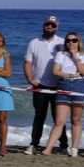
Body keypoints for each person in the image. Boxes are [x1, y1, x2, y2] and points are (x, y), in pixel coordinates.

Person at [44, 32, 84, 157]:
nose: (71, 42)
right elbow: (56, 71)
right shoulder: (61, 54)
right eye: (68, 40)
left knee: (76, 120)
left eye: (74, 40)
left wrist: (75, 57)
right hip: (64, 85)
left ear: (78, 41)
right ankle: (48, 148)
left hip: (79, 86)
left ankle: (74, 148)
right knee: (59, 121)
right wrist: (70, 75)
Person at [23, 15, 65, 154]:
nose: (50, 27)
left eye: (52, 25)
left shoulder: (63, 42)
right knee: (39, 115)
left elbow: (69, 62)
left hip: (58, 85)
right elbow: (28, 62)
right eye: (48, 24)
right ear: (44, 25)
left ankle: (63, 145)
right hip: (40, 85)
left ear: (57, 26)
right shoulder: (34, 42)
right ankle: (34, 144)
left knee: (58, 117)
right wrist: (30, 79)